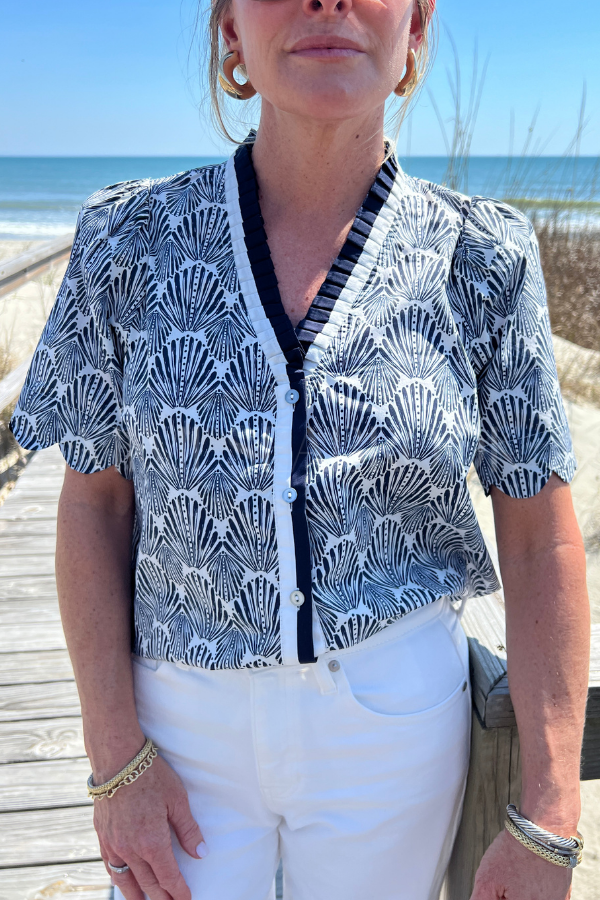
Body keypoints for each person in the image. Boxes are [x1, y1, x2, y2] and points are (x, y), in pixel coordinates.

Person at [10, 0, 590, 898]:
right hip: (175, 722)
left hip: (397, 727)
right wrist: (114, 758)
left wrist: (550, 813)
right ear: (231, 33)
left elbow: (540, 537)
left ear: (415, 32)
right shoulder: (126, 243)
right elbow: (94, 503)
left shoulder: (482, 257)